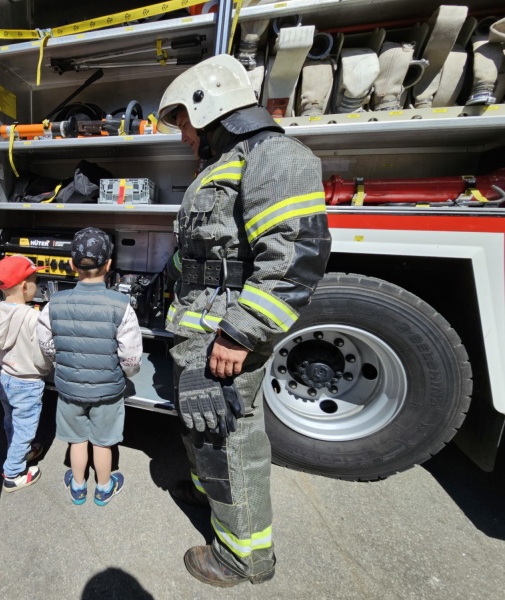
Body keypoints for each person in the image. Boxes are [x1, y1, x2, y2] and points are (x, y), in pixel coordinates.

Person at [157, 54, 331, 587]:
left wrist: (240, 333)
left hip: (224, 334)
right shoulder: (225, 164)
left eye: (184, 120)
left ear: (211, 106)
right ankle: (213, 498)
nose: (183, 135)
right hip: (200, 333)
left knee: (229, 438)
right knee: (205, 428)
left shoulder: (275, 156)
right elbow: (206, 251)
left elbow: (295, 256)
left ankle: (243, 557)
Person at [36, 227, 143, 506]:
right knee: (103, 441)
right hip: (107, 391)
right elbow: (130, 357)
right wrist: (126, 376)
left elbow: (46, 344)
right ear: (108, 265)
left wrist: (60, 364)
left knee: (77, 439)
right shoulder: (121, 305)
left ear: (72, 265)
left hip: (69, 388)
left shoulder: (54, 303)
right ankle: (105, 487)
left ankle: (79, 485)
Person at [0, 254, 53, 492]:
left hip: (7, 378)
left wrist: (5, 358)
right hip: (28, 383)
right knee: (25, 427)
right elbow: (44, 351)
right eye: (36, 281)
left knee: (11, 422)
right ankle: (13, 473)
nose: (38, 285)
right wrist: (46, 367)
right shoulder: (33, 317)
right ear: (24, 286)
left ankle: (21, 452)